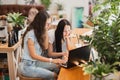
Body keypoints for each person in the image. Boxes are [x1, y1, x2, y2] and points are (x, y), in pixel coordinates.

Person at [18, 10, 67, 80]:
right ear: (40, 23)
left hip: (36, 62)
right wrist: (52, 60)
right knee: (53, 75)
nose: (49, 26)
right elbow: (33, 55)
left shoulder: (39, 32)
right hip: (27, 66)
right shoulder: (30, 34)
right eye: (47, 24)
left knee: (58, 67)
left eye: (50, 23)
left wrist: (46, 30)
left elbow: (45, 47)